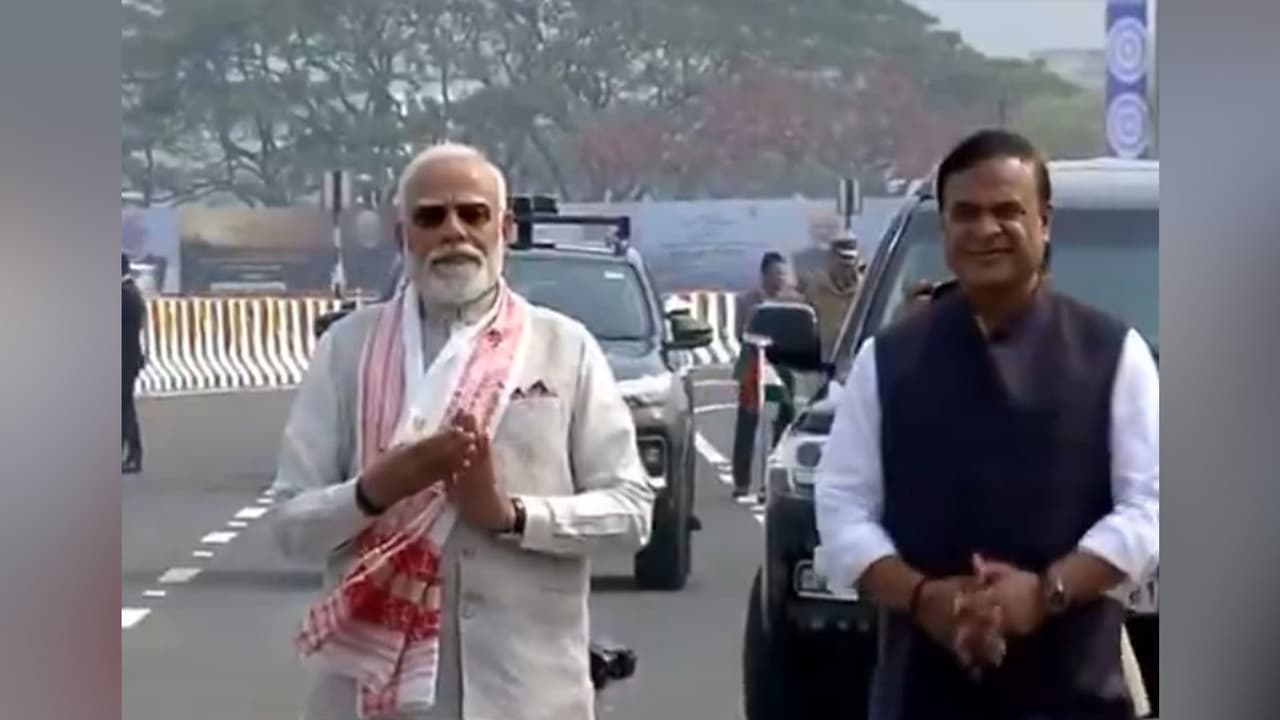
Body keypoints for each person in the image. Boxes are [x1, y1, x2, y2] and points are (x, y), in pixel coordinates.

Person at [269, 142, 656, 720]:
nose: (454, 231)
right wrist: (373, 490)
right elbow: (291, 527)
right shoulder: (346, 349)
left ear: (505, 228)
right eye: (431, 217)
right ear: (404, 236)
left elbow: (631, 513)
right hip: (371, 697)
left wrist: (510, 515)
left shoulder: (563, 347)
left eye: (472, 214)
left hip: (526, 692)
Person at [813, 129, 1159, 720]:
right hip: (919, 693)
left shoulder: (1113, 354)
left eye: (1008, 211)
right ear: (944, 229)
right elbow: (843, 507)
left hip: (1074, 690)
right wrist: (924, 599)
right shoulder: (889, 360)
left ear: (1044, 223)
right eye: (965, 214)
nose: (985, 230)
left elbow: (1149, 509)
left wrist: (1045, 593)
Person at [730, 252, 803, 498]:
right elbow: (740, 332)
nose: (780, 279)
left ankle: (773, 480)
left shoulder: (794, 301)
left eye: (783, 274)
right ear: (764, 276)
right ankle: (742, 481)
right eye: (775, 274)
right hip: (753, 367)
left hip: (784, 367)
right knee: (748, 424)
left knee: (784, 423)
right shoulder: (747, 301)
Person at [799, 230, 862, 361]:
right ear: (831, 259)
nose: (846, 267)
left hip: (855, 362)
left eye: (850, 261)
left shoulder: (865, 289)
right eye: (841, 261)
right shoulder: (816, 289)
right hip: (824, 363)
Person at [122, 253, 146, 474]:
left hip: (124, 358)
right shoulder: (130, 292)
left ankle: (134, 454)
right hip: (127, 357)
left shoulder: (126, 295)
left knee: (125, 408)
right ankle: (129, 453)